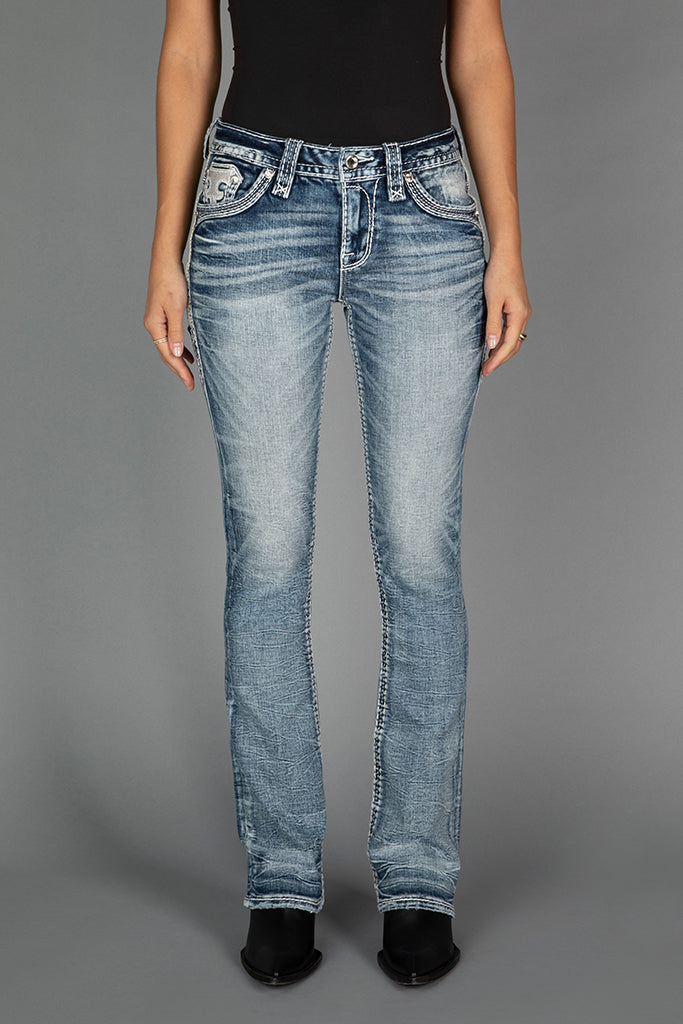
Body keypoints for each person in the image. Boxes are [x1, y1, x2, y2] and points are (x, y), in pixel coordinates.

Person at [144, 0, 531, 988]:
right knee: (268, 554)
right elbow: (189, 45)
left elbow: (477, 44)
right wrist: (164, 249)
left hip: (425, 206)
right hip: (254, 201)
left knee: (420, 553)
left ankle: (419, 877)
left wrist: (508, 243)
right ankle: (279, 877)